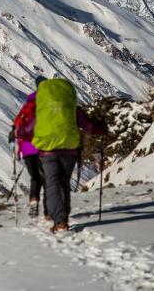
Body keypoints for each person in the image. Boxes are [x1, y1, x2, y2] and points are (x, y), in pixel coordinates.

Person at [32, 77, 106, 233]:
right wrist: (102, 127)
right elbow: (90, 127)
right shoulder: (71, 108)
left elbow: (29, 129)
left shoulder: (41, 110)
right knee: (64, 183)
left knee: (52, 184)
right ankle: (62, 216)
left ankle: (59, 220)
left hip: (48, 151)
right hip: (70, 151)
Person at [13, 75, 47, 218]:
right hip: (43, 147)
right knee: (47, 177)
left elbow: (17, 124)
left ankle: (33, 201)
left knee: (35, 177)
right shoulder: (49, 104)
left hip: (27, 148)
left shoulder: (28, 105)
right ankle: (49, 208)